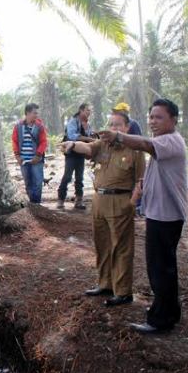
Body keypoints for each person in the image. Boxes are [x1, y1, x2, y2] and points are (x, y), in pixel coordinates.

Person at [99, 99, 187, 334]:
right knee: (164, 266)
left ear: (173, 120)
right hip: (160, 214)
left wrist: (117, 136)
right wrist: (139, 193)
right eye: (151, 117)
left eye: (159, 117)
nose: (153, 121)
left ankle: (161, 320)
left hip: (166, 216)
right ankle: (170, 311)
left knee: (160, 268)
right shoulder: (163, 141)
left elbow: (144, 144)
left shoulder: (170, 141)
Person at [60, 112, 145, 307]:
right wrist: (72, 144)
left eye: (118, 125)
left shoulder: (135, 149)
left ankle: (123, 291)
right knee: (102, 243)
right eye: (111, 125)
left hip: (120, 199)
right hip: (99, 200)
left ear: (127, 128)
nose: (113, 129)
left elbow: (141, 181)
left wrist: (131, 204)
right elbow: (87, 147)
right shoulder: (103, 144)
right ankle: (105, 283)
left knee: (122, 247)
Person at [57, 103, 94, 209]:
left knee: (80, 177)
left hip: (81, 154)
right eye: (87, 110)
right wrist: (88, 139)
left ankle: (79, 200)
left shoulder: (87, 124)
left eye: (90, 111)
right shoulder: (73, 122)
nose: (89, 113)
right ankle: (61, 199)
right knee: (67, 176)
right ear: (81, 110)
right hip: (71, 153)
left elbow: (89, 136)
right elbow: (72, 136)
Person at [12, 103, 48, 204]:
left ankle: (36, 204)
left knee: (37, 183)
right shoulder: (18, 126)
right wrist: (17, 156)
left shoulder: (40, 126)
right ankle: (33, 203)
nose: (36, 115)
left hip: (36, 160)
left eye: (37, 113)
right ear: (27, 113)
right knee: (28, 183)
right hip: (23, 160)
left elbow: (44, 142)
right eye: (34, 113)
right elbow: (14, 141)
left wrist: (38, 155)